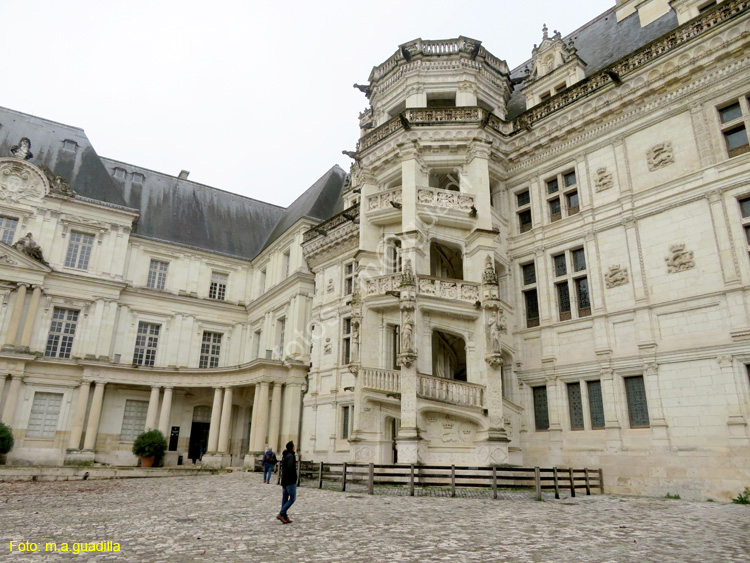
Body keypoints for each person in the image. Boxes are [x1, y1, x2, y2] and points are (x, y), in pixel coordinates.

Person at [277, 441, 297, 524]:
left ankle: (284, 516)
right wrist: (294, 477)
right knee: (292, 498)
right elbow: (290, 468)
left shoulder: (285, 455)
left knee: (285, 499)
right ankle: (281, 514)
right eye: (294, 446)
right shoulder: (291, 456)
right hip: (290, 480)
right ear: (292, 447)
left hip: (284, 480)